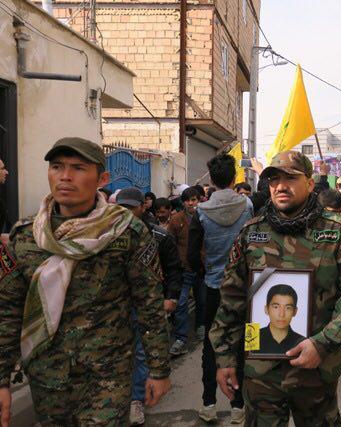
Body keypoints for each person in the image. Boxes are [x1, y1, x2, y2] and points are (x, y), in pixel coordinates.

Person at [0, 137, 171, 425]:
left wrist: (159, 369)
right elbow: (8, 310)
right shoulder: (26, 235)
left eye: (78, 168)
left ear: (102, 179)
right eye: (57, 166)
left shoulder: (126, 232)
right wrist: (2, 379)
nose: (65, 176)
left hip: (107, 377)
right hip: (47, 376)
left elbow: (149, 305)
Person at [211, 150, 341, 426]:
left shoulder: (338, 231)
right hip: (261, 375)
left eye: (290, 178)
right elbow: (232, 299)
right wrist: (225, 358)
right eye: (274, 179)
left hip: (316, 372)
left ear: (310, 184)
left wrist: (323, 343)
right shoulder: (252, 233)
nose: (280, 186)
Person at [188, 154, 253, 424]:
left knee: (211, 345)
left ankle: (209, 404)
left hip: (214, 287)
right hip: (245, 287)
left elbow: (192, 255)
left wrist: (207, 272)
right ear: (234, 177)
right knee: (244, 344)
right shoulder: (247, 205)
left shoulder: (201, 211)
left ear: (212, 180)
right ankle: (239, 407)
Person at [116, 187, 182, 425]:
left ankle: (136, 400)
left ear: (142, 207)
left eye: (130, 207)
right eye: (121, 207)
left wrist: (171, 296)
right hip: (116, 307)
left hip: (147, 304)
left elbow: (174, 269)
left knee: (141, 352)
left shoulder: (159, 237)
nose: (125, 212)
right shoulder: (106, 235)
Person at [168, 186, 206, 355]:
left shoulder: (206, 217)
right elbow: (170, 244)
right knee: (181, 303)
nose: (191, 203)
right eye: (187, 200)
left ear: (199, 200)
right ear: (183, 202)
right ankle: (181, 338)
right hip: (183, 269)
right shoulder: (176, 219)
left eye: (193, 200)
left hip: (202, 267)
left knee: (202, 300)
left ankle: (201, 326)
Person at [256, 284, 306, 355]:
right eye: (276, 307)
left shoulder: (302, 342)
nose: (281, 314)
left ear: (295, 311)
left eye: (288, 308)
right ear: (266, 309)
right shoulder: (253, 338)